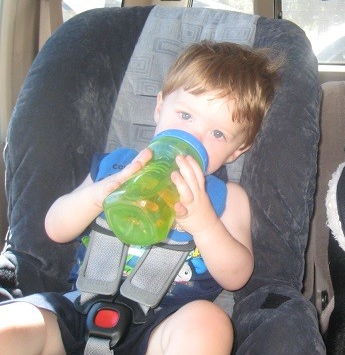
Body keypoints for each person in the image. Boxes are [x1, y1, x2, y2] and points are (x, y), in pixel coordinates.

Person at [0, 41, 280, 355]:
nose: (193, 137)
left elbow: (237, 276)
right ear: (159, 107)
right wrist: (99, 195)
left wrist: (204, 224)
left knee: (210, 323)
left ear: (237, 151)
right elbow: (55, 227)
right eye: (185, 115)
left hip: (161, 325)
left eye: (217, 134)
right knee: (12, 322)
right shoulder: (114, 166)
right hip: (77, 310)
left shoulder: (226, 198)